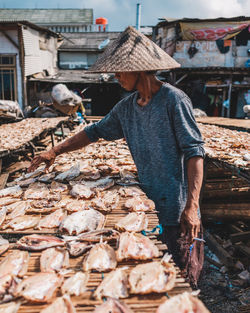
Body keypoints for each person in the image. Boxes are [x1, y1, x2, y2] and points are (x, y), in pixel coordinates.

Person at [28, 26, 205, 287]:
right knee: (152, 273)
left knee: (180, 278)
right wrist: (53, 151)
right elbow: (93, 132)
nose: (115, 76)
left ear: (139, 69)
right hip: (147, 206)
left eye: (120, 70)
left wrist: (191, 206)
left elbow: (195, 153)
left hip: (176, 210)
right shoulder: (127, 107)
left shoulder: (173, 100)